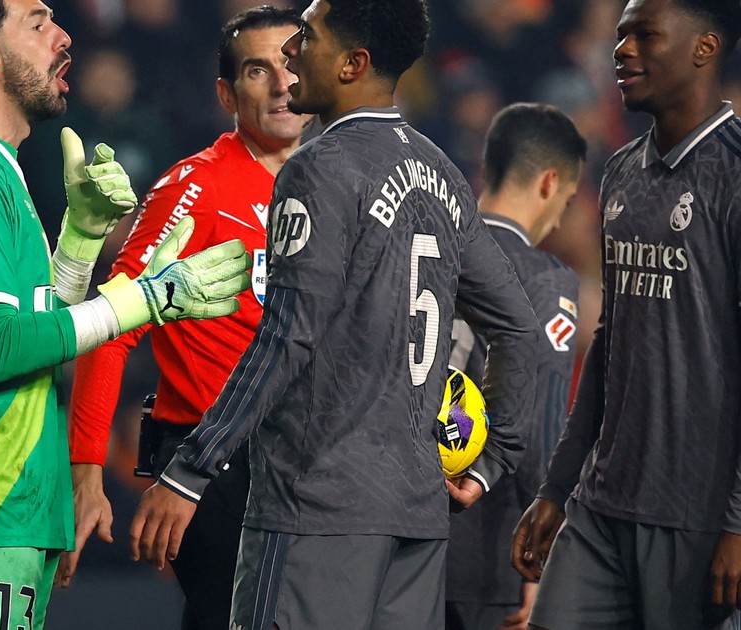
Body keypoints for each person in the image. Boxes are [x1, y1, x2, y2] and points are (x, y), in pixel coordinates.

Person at [131, 2, 543, 628]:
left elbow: (287, 337)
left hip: (315, 510)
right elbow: (519, 328)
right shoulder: (442, 172)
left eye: (308, 37)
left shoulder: (319, 168)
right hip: (417, 519)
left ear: (353, 65)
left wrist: (190, 468)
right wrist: (488, 464)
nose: (291, 51)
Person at [0, 1, 252, 629]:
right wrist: (140, 301)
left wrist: (79, 240)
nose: (63, 36)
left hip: (3, 509)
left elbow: (33, 330)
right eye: (38, 23)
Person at [511, 1, 741, 628]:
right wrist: (559, 487)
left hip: (704, 517)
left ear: (704, 47)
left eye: (644, 35)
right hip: (604, 507)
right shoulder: (622, 172)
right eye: (621, 36)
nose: (622, 50)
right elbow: (611, 343)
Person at [58, 7, 310, 630]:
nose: (282, 84)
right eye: (258, 70)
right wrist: (86, 474)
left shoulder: (337, 185)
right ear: (227, 94)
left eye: (292, 64)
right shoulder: (196, 188)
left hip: (307, 466)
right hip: (211, 466)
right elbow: (109, 329)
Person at [445, 103, 586, 630]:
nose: (560, 219)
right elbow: (539, 422)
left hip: (396, 527)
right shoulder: (545, 279)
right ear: (549, 183)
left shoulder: (427, 247)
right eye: (566, 201)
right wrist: (539, 549)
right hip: (486, 545)